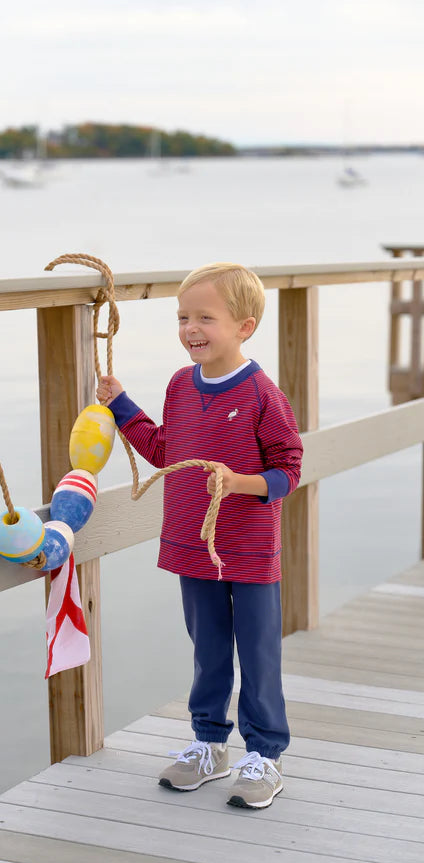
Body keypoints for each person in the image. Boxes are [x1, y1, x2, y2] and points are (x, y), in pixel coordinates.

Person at [96, 262, 303, 809]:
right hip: (192, 544)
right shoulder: (180, 385)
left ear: (245, 326)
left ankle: (264, 754)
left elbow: (289, 468)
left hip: (249, 547)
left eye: (205, 318)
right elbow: (166, 451)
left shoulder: (262, 393)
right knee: (207, 648)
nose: (191, 328)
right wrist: (121, 405)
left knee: (257, 652)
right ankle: (209, 743)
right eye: (183, 316)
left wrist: (241, 483)